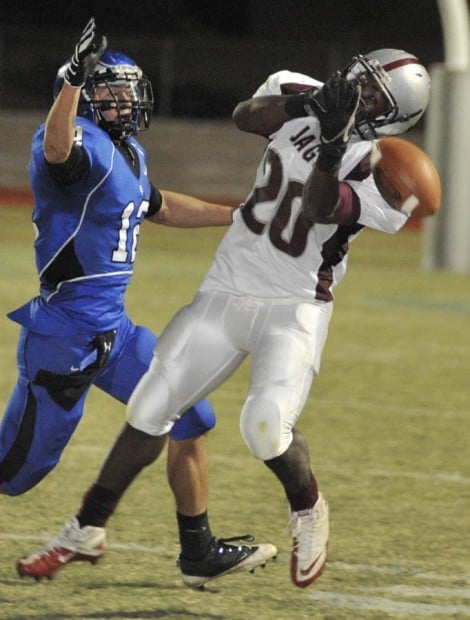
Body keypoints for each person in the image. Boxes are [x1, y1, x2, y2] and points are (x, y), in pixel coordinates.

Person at [17, 44, 431, 589]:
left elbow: (319, 207)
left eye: (373, 90)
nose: (358, 85)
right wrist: (310, 108)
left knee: (263, 427)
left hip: (294, 306)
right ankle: (86, 527)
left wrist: (332, 144)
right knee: (150, 407)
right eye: (362, 73)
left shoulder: (385, 171)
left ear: (390, 114)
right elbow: (245, 115)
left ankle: (308, 508)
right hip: (226, 287)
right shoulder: (299, 90)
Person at [4, 18, 277, 585]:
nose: (125, 100)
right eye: (111, 90)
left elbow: (161, 206)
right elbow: (59, 148)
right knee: (14, 474)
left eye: (129, 90)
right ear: (82, 94)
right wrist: (74, 80)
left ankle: (196, 553)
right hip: (64, 338)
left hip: (116, 333)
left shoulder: (127, 152)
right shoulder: (73, 143)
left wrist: (238, 216)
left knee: (190, 417)